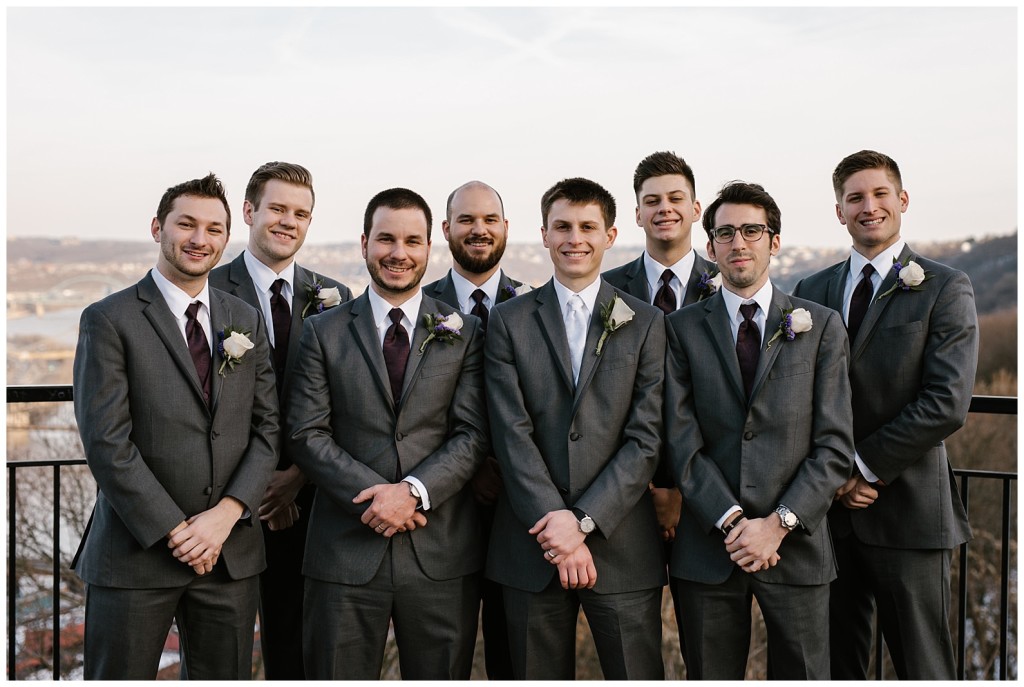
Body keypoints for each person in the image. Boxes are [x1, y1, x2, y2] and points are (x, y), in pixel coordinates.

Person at [72, 173, 279, 679]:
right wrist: (178, 531)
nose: (199, 239)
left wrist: (225, 516)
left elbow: (268, 429)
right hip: (136, 556)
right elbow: (107, 443)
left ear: (226, 238)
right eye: (185, 224)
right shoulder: (109, 318)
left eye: (213, 229)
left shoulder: (244, 319)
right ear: (157, 228)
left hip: (229, 556)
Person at [287, 187, 488, 679]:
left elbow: (472, 433)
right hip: (343, 552)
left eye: (412, 241)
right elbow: (306, 432)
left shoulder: (465, 332)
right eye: (386, 240)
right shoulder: (322, 331)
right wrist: (379, 499)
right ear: (363, 244)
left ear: (428, 248)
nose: (399, 253)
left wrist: (415, 493)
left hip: (440, 554)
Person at [792, 150, 978, 679]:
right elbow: (796, 397)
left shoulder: (945, 286)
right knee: (834, 667)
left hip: (908, 512)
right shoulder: (811, 291)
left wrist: (860, 467)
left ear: (902, 200)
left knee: (922, 667)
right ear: (838, 211)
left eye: (879, 195)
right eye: (855, 198)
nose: (868, 207)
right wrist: (830, 481)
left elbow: (946, 402)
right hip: (827, 520)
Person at [665, 180, 854, 679]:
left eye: (752, 230)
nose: (738, 243)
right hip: (709, 547)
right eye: (725, 233)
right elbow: (680, 441)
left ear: (773, 241)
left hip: (796, 546)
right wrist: (732, 522)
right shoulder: (680, 330)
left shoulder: (821, 326)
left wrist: (777, 524)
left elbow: (834, 446)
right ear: (710, 247)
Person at [485, 177, 666, 679]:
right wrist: (554, 525)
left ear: (610, 235)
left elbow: (645, 438)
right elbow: (510, 433)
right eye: (562, 226)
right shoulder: (507, 321)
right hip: (529, 546)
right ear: (543, 234)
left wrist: (582, 521)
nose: (574, 238)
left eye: (588, 227)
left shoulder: (647, 323)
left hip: (622, 546)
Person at [209, 161, 352, 679]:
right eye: (277, 209)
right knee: (223, 647)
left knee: (305, 645)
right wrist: (259, 488)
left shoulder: (337, 296)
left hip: (314, 499)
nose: (288, 221)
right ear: (250, 211)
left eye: (301, 213)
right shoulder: (209, 289)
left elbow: (347, 402)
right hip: (230, 500)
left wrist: (298, 478)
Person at [602, 150, 716, 647]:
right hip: (629, 493)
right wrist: (647, 485)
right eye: (652, 200)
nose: (664, 208)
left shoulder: (729, 283)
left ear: (695, 209)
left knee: (708, 645)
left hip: (711, 490)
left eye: (676, 198)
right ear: (637, 214)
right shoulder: (606, 290)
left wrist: (682, 488)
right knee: (633, 638)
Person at [421, 180, 523, 679]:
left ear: (506, 228)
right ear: (446, 230)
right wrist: (467, 468)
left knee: (517, 659)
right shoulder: (417, 306)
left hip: (519, 512)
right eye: (466, 220)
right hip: (440, 516)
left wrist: (503, 468)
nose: (478, 230)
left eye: (488, 220)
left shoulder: (534, 305)